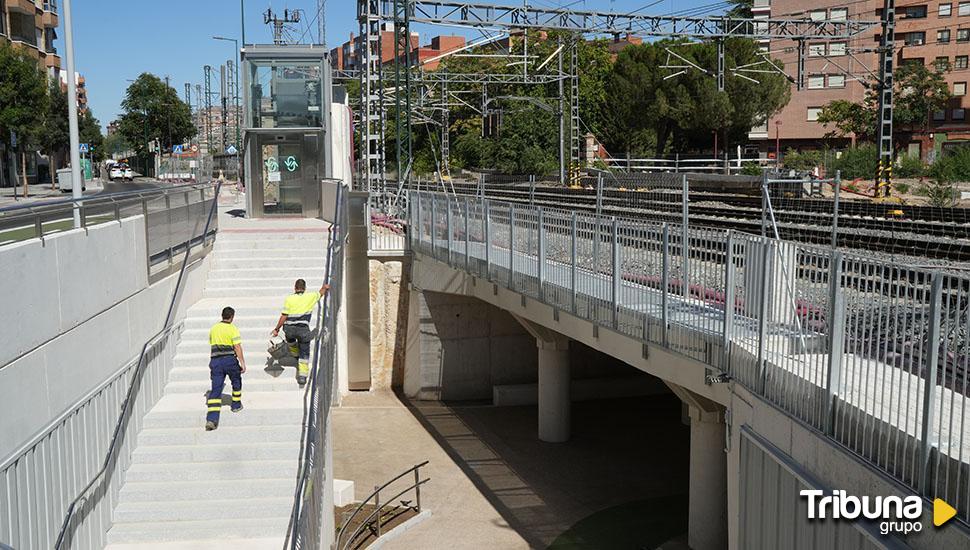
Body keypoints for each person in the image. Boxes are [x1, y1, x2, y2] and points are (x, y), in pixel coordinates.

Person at [271, 279, 330, 386]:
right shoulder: (310, 296)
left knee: (290, 339)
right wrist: (325, 287)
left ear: (295, 287)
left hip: (289, 329)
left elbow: (284, 315)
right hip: (303, 330)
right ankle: (302, 376)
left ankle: (294, 354)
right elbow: (321, 293)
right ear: (305, 288)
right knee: (305, 353)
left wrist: (277, 329)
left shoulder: (289, 299)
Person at [206, 306, 246, 431]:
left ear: (222, 315)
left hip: (216, 361)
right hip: (229, 360)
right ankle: (235, 405)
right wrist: (242, 363)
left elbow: (212, 344)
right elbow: (237, 347)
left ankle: (212, 420)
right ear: (232, 317)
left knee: (216, 388)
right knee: (236, 381)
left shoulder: (214, 328)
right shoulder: (233, 329)